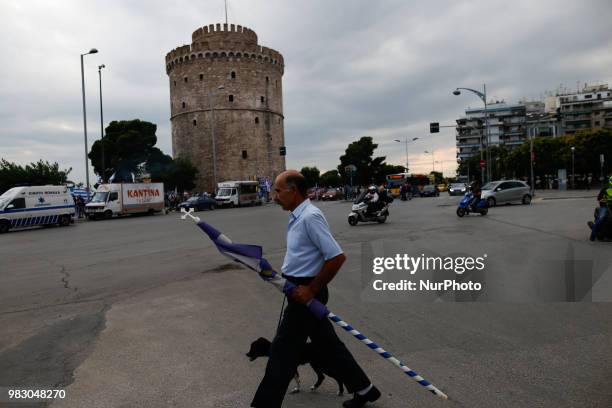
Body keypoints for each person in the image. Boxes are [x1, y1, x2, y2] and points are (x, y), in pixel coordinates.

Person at [251, 170, 380, 408]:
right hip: (297, 290)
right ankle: (365, 389)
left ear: (294, 191)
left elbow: (336, 257)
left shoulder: (310, 217)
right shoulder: (297, 216)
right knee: (328, 347)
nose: (274, 196)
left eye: (278, 191)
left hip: (306, 294)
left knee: (281, 351)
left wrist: (310, 290)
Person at [589, 176, 612, 241]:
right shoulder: (605, 188)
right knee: (601, 218)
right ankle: (592, 235)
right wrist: (605, 200)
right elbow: (599, 198)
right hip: (605, 206)